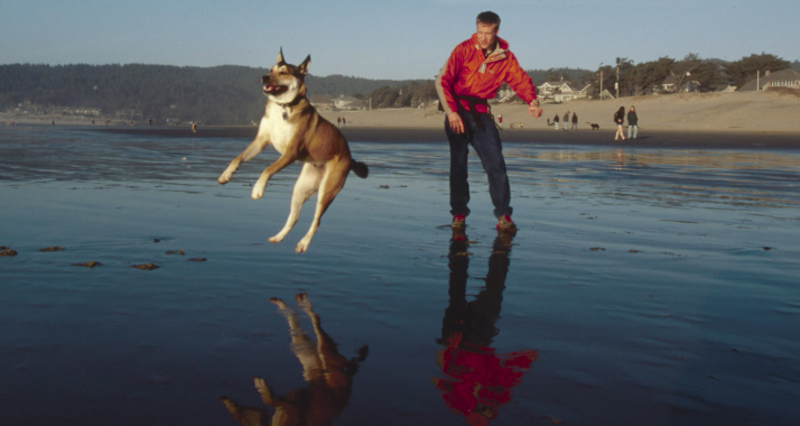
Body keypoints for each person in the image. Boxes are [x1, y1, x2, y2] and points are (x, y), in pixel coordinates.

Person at [436, 11, 542, 233]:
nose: (482, 38)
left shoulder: (505, 57)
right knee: (458, 165)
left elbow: (520, 80)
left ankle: (503, 214)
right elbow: (442, 81)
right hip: (457, 110)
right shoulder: (463, 49)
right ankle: (458, 214)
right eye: (479, 32)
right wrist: (451, 112)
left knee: (496, 164)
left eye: (488, 33)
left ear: (496, 32)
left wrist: (531, 101)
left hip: (481, 113)